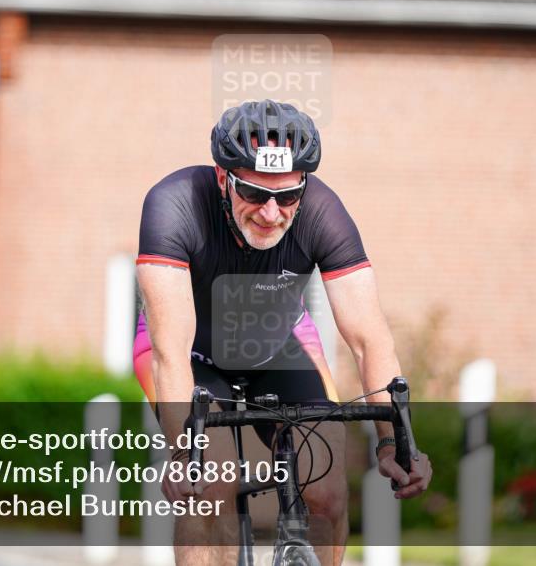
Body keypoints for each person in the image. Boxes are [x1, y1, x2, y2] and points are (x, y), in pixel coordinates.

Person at [134, 99, 432, 566]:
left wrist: (394, 439)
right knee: (209, 485)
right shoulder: (174, 204)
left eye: (288, 196)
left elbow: (368, 338)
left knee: (328, 492)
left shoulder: (323, 212)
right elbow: (170, 352)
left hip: (279, 346)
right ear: (222, 178)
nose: (271, 213)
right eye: (253, 192)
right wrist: (182, 451)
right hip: (189, 353)